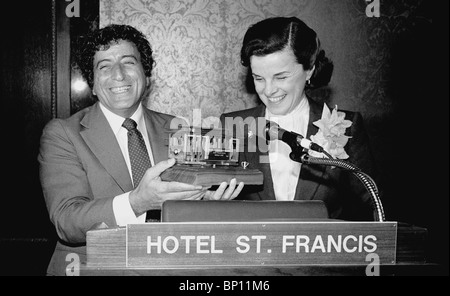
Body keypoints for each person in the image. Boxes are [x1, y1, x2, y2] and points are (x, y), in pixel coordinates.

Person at [38, 24, 243, 276]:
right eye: (104, 66)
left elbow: (182, 211)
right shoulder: (63, 133)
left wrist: (206, 203)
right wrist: (137, 202)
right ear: (92, 85)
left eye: (128, 62)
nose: (119, 75)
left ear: (146, 76)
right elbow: (67, 220)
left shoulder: (178, 128)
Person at [221, 17, 379, 221]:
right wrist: (207, 199)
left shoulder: (345, 126)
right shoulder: (232, 126)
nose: (268, 90)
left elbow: (372, 207)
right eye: (258, 78)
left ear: (309, 69)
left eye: (281, 77)